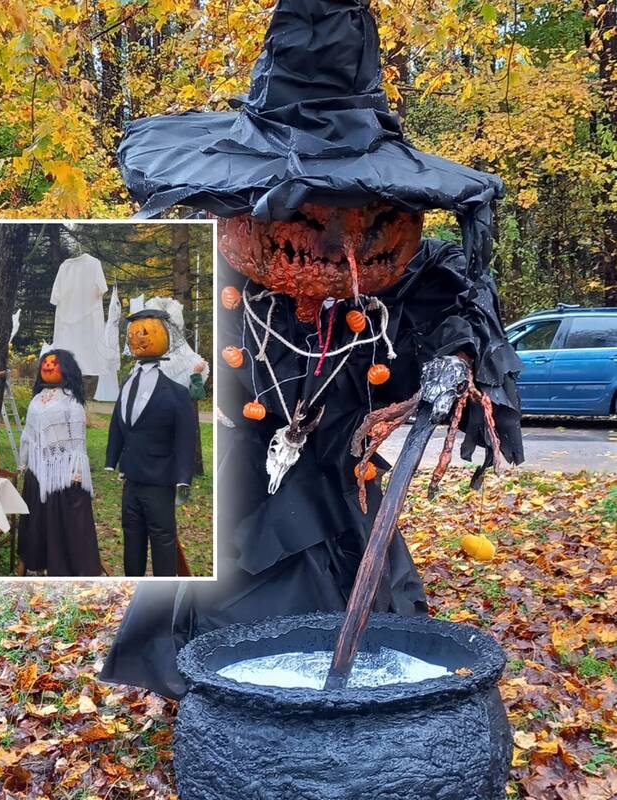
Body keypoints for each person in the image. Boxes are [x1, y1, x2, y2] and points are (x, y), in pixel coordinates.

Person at [101, 0, 523, 699]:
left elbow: (459, 305)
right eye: (311, 209)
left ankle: (325, 699)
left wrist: (456, 358)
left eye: (366, 210)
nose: (338, 241)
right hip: (244, 471)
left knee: (344, 568)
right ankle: (239, 699)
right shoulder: (220, 272)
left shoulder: (414, 278)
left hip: (339, 470)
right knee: (239, 585)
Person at [106, 309, 200, 578]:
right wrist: (112, 459)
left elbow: (185, 437)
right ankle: (132, 582)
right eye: (133, 333)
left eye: (144, 332)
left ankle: (165, 591)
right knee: (131, 534)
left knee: (162, 537)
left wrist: (183, 478)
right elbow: (119, 421)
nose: (137, 338)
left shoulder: (176, 392)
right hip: (131, 477)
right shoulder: (127, 382)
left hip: (160, 479)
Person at [16, 349, 103, 576]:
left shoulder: (71, 402)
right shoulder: (36, 400)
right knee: (37, 522)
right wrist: (23, 461)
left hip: (63, 475)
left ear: (65, 368)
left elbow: (77, 441)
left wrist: (76, 472)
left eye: (54, 363)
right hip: (37, 472)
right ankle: (37, 561)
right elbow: (28, 434)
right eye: (45, 363)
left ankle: (64, 569)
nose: (48, 366)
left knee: (64, 527)